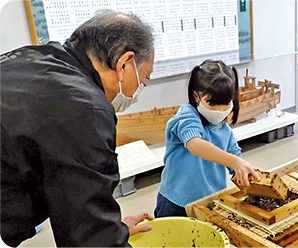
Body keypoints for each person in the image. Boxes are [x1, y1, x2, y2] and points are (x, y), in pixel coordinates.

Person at [1, 10, 155, 247]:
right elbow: (91, 238)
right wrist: (108, 234)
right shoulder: (86, 110)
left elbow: (75, 203)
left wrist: (115, 228)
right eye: (143, 79)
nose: (139, 89)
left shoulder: (36, 57)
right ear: (124, 63)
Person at [154, 60, 260, 217]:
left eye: (226, 103)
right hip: (175, 204)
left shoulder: (226, 131)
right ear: (197, 96)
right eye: (212, 103)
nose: (220, 109)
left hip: (210, 203)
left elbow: (235, 167)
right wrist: (236, 162)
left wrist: (250, 174)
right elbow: (195, 144)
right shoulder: (186, 116)